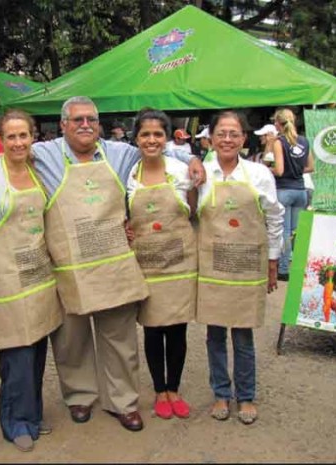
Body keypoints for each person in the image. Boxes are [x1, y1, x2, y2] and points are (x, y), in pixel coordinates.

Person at [0, 96, 204, 433]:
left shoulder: (119, 153)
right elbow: (8, 153)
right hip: (70, 271)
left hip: (114, 268)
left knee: (120, 341)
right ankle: (79, 396)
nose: (85, 125)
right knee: (72, 341)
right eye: (77, 120)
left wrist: (194, 158)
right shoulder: (45, 154)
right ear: (63, 125)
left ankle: (123, 402)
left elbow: (156, 149)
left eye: (91, 120)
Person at [0, 109, 63, 452]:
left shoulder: (38, 168)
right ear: (0, 138)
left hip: (39, 272)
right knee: (17, 352)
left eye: (23, 135)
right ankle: (16, 421)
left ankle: (33, 412)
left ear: (33, 136)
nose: (18, 142)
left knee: (38, 346)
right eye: (10, 136)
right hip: (6, 273)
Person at [196, 110, 284, 425]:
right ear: (211, 138)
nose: (228, 139)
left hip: (247, 267)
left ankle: (246, 396)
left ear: (244, 139)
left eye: (234, 133)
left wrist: (273, 260)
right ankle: (221, 392)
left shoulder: (259, 174)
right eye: (222, 133)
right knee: (215, 334)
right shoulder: (200, 174)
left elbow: (274, 218)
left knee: (243, 335)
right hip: (212, 268)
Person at [126, 108, 197, 420]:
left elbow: (194, 212)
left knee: (177, 329)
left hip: (179, 264)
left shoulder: (181, 172)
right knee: (153, 329)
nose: (151, 140)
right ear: (137, 139)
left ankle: (174, 389)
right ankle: (159, 391)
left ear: (167, 138)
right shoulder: (130, 175)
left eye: (157, 134)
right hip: (147, 264)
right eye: (145, 134)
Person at [270, 108, 314, 281]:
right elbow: (311, 167)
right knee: (296, 232)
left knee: (284, 231)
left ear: (278, 124)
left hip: (284, 190)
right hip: (300, 190)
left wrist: (267, 169)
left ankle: (283, 269)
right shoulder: (304, 141)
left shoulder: (279, 142)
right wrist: (296, 170)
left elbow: (279, 170)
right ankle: (298, 267)